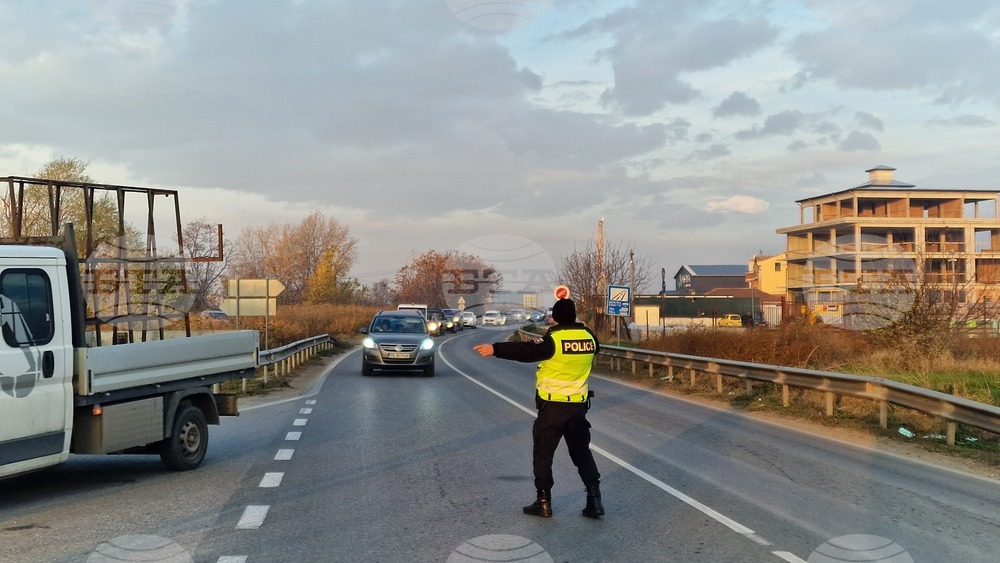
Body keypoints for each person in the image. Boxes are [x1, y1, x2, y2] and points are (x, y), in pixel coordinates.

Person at [474, 298, 604, 519]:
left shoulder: (554, 339)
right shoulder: (590, 338)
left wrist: (495, 349)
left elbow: (526, 351)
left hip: (553, 408)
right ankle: (595, 501)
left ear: (557, 317)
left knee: (543, 455)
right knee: (582, 453)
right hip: (578, 408)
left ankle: (543, 503)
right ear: (573, 315)